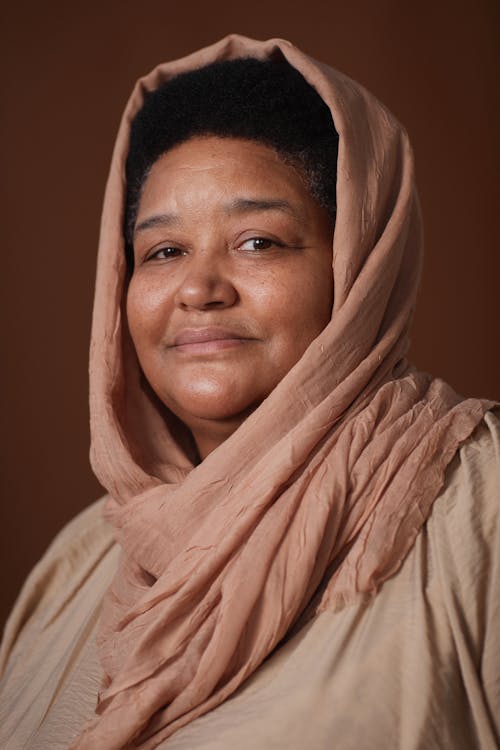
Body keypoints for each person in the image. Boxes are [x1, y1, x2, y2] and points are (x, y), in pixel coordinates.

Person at [0, 33, 498, 750]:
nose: (199, 290)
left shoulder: (480, 505)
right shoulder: (79, 563)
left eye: (258, 242)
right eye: (164, 251)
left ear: (357, 266)